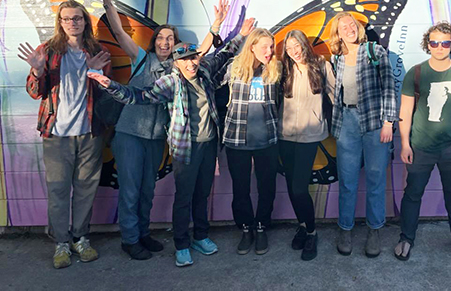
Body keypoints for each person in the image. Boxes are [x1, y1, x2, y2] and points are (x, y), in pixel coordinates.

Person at [87, 18, 255, 268]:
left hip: (209, 145)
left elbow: (225, 52)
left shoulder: (205, 70)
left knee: (202, 194)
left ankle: (201, 236)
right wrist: (112, 86)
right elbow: (139, 96)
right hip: (185, 147)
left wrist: (241, 35)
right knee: (183, 196)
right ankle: (181, 243)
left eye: (194, 57)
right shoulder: (171, 81)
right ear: (176, 63)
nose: (191, 63)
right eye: (185, 59)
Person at [89, 0, 228, 261]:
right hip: (130, 133)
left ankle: (143, 233)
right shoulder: (142, 58)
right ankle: (130, 239)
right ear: (154, 42)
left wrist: (216, 25)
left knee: (147, 190)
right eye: (161, 38)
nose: (165, 42)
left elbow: (201, 53)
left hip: (156, 138)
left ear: (176, 46)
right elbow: (117, 31)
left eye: (170, 38)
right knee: (130, 189)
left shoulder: (181, 67)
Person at [18, 0, 112, 269]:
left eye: (78, 18)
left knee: (85, 190)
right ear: (60, 23)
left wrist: (94, 70)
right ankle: (61, 242)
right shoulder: (47, 51)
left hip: (89, 133)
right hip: (56, 134)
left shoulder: (98, 51)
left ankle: (80, 238)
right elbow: (36, 92)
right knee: (58, 190)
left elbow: (108, 93)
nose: (73, 22)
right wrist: (38, 69)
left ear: (85, 22)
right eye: (67, 18)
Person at [394, 22, 451, 262]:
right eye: (434, 42)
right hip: (420, 146)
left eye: (445, 42)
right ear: (427, 45)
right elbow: (406, 110)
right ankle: (406, 238)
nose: (439, 47)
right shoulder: (416, 72)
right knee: (412, 194)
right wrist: (405, 143)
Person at [329, 12, 397, 258]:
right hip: (346, 122)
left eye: (352, 25)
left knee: (376, 179)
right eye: (343, 27)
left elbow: (389, 87)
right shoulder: (336, 58)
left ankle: (374, 230)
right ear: (337, 35)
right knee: (347, 181)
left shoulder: (375, 52)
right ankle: (345, 229)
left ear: (358, 27)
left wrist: (389, 122)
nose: (349, 29)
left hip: (375, 122)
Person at [222, 28, 281, 256]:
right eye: (264, 46)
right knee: (241, 189)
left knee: (267, 188)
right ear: (252, 46)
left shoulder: (275, 70)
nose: (269, 51)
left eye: (271, 46)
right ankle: (246, 228)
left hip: (267, 139)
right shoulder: (234, 68)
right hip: (237, 139)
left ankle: (261, 226)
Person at [278, 30, 335, 261]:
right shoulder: (284, 68)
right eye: (289, 48)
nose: (294, 52)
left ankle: (311, 232)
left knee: (300, 187)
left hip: (310, 135)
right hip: (285, 135)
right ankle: (302, 225)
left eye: (297, 46)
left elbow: (333, 95)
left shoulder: (321, 65)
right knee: (292, 187)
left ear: (305, 44)